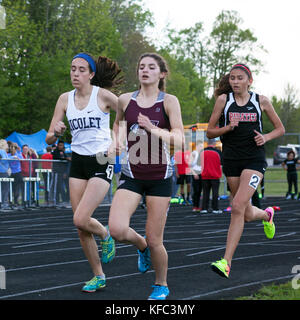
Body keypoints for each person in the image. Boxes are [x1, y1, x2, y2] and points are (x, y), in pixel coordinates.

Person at [108, 53, 184, 300]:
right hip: (132, 174)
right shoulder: (124, 100)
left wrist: (153, 129)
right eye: (141, 66)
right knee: (117, 229)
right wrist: (116, 142)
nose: (145, 70)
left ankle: (161, 284)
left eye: (151, 67)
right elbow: (118, 125)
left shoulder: (169, 101)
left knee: (155, 239)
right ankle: (140, 247)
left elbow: (181, 140)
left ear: (161, 74)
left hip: (160, 177)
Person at [46, 52, 122, 292]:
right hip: (77, 160)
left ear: (91, 74)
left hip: (101, 159)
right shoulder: (64, 99)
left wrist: (115, 140)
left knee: (81, 217)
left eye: (81, 70)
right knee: (80, 226)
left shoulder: (104, 96)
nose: (75, 74)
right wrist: (56, 132)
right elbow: (49, 138)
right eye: (72, 69)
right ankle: (98, 275)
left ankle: (104, 233)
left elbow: (125, 116)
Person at [207, 63, 285, 278]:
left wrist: (266, 137)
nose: (235, 82)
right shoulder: (224, 101)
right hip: (232, 160)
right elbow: (210, 133)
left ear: (249, 81)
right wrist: (228, 127)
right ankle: (267, 215)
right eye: (232, 78)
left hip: (254, 159)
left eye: (240, 78)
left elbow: (280, 128)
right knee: (247, 213)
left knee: (237, 205)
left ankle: (226, 262)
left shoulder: (261, 101)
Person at [200, 139, 223, 214]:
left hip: (205, 175)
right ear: (214, 144)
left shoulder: (202, 151)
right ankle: (215, 209)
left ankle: (204, 208)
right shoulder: (218, 152)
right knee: (215, 193)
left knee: (205, 192)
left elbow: (199, 163)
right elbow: (221, 164)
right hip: (215, 175)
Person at [49, 140, 68, 206]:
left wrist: (65, 172)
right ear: (58, 145)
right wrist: (66, 158)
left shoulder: (63, 152)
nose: (61, 146)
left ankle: (61, 200)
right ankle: (54, 200)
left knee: (60, 186)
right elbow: (58, 157)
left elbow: (65, 158)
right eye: (60, 145)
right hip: (56, 171)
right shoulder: (55, 151)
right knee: (55, 186)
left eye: (62, 145)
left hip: (61, 172)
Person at [7, 142, 23, 207]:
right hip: (11, 173)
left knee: (17, 188)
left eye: (14, 148)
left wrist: (18, 153)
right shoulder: (8, 155)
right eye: (11, 148)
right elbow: (7, 160)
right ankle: (10, 201)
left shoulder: (19, 154)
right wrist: (14, 156)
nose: (13, 149)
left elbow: (22, 159)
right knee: (11, 188)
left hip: (18, 173)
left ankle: (16, 201)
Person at [189, 141, 203, 212]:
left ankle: (200, 207)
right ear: (197, 146)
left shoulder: (202, 153)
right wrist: (194, 173)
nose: (201, 147)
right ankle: (195, 206)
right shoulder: (193, 153)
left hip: (202, 173)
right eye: (200, 146)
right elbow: (189, 165)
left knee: (200, 191)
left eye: (202, 146)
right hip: (195, 173)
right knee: (196, 191)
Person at [0, 139, 10, 209]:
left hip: (3, 171)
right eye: (6, 143)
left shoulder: (3, 152)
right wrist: (13, 157)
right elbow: (4, 160)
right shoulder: (2, 151)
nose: (7, 145)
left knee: (4, 188)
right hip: (3, 171)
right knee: (5, 188)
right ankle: (4, 203)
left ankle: (3, 202)